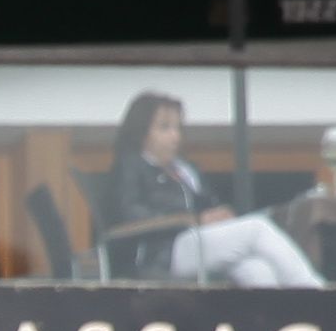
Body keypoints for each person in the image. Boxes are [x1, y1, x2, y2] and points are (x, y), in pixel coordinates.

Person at [94, 90, 323, 286]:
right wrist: (194, 219)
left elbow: (207, 204)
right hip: (161, 250)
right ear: (141, 132)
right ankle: (318, 293)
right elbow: (130, 214)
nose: (175, 136)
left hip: (198, 241)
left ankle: (278, 322)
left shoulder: (184, 169)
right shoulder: (131, 166)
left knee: (257, 269)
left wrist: (218, 215)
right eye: (164, 128)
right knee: (256, 229)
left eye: (177, 128)